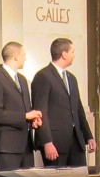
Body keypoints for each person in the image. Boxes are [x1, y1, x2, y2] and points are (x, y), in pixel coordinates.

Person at [31, 38, 96, 167]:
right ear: (64, 54)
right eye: (72, 52)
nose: (74, 55)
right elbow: (40, 112)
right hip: (56, 143)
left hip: (76, 142)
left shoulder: (71, 78)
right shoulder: (43, 76)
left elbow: (78, 110)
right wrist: (47, 142)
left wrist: (89, 136)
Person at [0, 41, 42, 170]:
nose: (25, 58)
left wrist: (32, 120)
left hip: (26, 145)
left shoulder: (22, 79)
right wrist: (25, 116)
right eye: (23, 55)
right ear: (15, 56)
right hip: (8, 146)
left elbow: (26, 109)